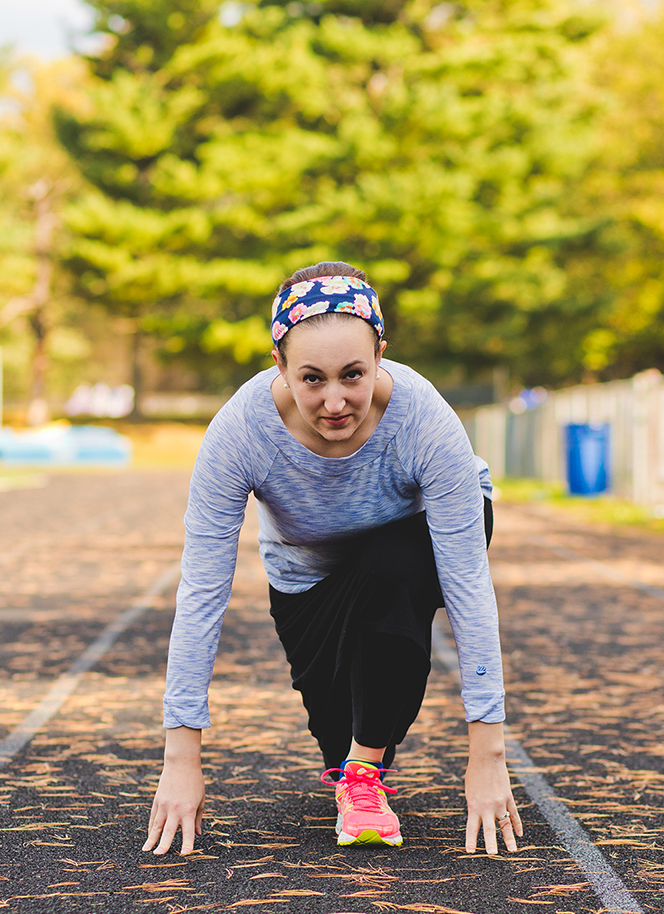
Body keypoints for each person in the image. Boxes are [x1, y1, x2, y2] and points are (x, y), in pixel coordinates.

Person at [142, 261, 523, 857]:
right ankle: (357, 762)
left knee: (390, 572)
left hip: (408, 548)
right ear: (279, 366)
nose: (336, 401)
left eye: (354, 375)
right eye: (312, 379)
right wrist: (180, 758)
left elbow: (469, 584)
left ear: (380, 357)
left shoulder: (423, 418)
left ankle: (364, 775)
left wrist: (489, 755)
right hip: (308, 577)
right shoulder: (241, 433)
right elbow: (202, 591)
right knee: (339, 732)